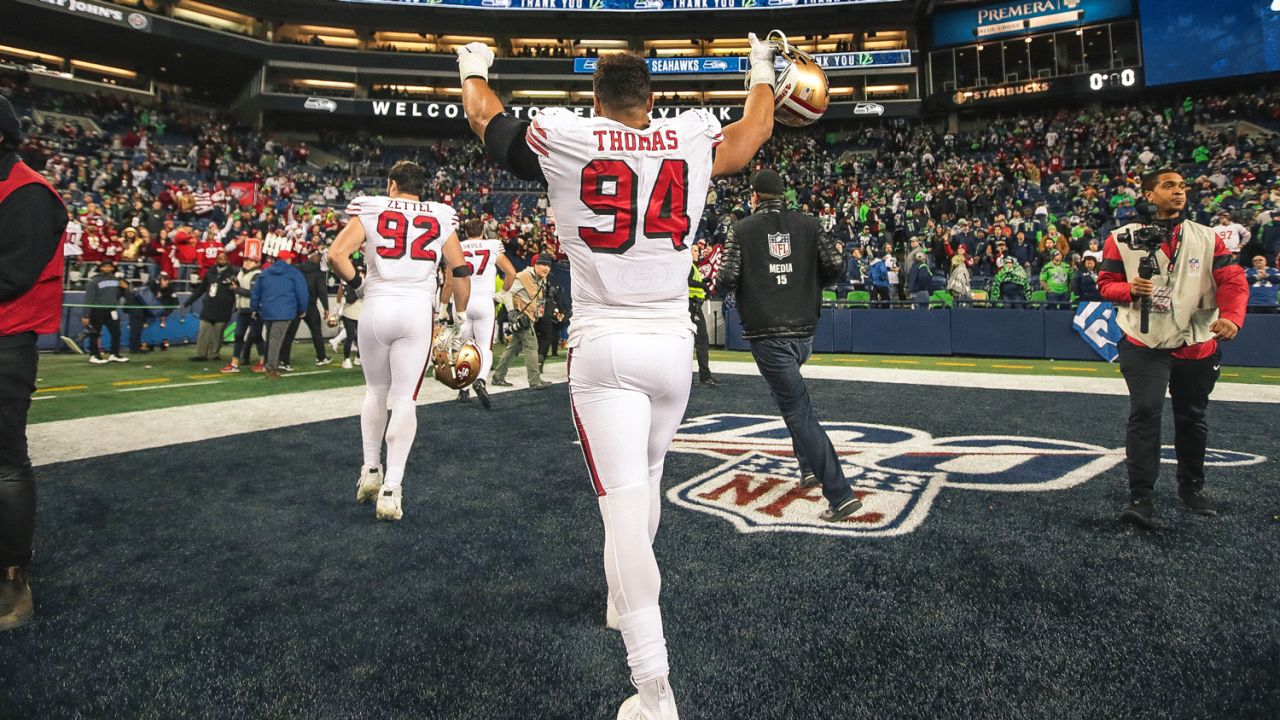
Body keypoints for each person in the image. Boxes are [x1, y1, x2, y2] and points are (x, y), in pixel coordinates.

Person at [459, 35, 776, 719]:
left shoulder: (568, 136)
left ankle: (655, 689)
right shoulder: (688, 136)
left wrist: (474, 66)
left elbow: (485, 118)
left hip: (606, 346)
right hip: (671, 347)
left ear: (595, 100)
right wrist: (759, 72)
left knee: (623, 512)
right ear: (652, 100)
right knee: (646, 487)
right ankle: (617, 598)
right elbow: (753, 133)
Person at [1097, 168, 1248, 528]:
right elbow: (1106, 284)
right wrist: (1129, 290)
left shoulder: (1208, 237)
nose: (1179, 191)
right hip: (1142, 339)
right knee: (1146, 412)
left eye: (1182, 186)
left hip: (1196, 340)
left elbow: (1232, 279)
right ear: (1149, 195)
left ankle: (1191, 488)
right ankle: (1141, 497)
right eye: (1169, 186)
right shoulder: (1120, 237)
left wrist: (1232, 317)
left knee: (1192, 417)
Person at [325, 160, 471, 522]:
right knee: (405, 398)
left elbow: (335, 254)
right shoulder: (440, 214)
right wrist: (461, 314)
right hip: (416, 310)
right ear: (422, 187)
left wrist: (359, 286)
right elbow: (460, 268)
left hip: (376, 305)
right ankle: (392, 489)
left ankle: (370, 469)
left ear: (392, 183)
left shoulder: (371, 206)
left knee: (375, 391)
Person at [718, 168, 862, 523]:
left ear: (755, 196)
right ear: (784, 194)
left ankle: (840, 494)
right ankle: (808, 467)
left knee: (798, 410)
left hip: (768, 333)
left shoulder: (742, 229)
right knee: (791, 399)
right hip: (805, 332)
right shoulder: (810, 225)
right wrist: (802, 277)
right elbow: (834, 267)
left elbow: (726, 279)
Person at [0, 95, 68, 631]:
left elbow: (13, 275)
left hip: (4, 342)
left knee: (4, 461)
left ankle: (12, 572)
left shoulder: (28, 193)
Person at [442, 217, 516, 408]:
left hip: (462, 302)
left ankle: (463, 389)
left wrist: (442, 307)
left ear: (465, 232)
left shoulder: (456, 247)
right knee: (484, 347)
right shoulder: (492, 245)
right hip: (484, 301)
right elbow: (511, 273)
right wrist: (501, 294)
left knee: (462, 347)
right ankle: (480, 380)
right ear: (483, 231)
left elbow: (449, 282)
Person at [490, 256, 552, 390]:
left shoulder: (542, 280)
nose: (546, 268)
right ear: (535, 265)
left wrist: (539, 316)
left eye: (548, 266)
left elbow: (540, 299)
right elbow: (506, 293)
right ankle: (534, 381)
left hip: (530, 317)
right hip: (521, 317)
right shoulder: (523, 276)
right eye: (543, 265)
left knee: (513, 349)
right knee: (532, 347)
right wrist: (511, 311)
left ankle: (498, 377)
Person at [251, 251, 308, 379]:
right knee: (276, 340)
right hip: (285, 311)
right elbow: (302, 292)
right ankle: (271, 368)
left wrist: (254, 308)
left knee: (271, 338)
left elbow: (256, 292)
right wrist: (302, 308)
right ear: (287, 259)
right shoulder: (294, 273)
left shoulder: (265, 273)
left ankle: (268, 364)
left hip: (267, 310)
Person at [183, 249, 237, 362]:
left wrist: (236, 305)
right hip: (209, 306)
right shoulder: (210, 272)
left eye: (223, 258)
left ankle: (214, 354)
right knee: (204, 331)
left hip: (224, 307)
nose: (221, 259)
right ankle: (201, 354)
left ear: (227, 260)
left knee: (218, 333)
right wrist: (187, 302)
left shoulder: (233, 273)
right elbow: (200, 290)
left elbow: (237, 290)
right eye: (219, 257)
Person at [282, 250, 332, 368]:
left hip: (295, 304)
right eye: (319, 257)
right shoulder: (319, 272)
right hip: (310, 305)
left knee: (290, 334)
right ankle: (321, 357)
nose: (320, 259)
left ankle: (284, 361)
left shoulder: (297, 268)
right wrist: (326, 307)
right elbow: (321, 290)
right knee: (316, 332)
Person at [81, 260, 129, 364]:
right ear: (101, 268)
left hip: (111, 310)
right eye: (105, 267)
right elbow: (88, 298)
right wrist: (86, 315)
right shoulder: (94, 281)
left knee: (116, 332)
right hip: (97, 310)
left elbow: (124, 292)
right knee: (95, 333)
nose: (107, 269)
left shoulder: (117, 280)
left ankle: (114, 354)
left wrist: (125, 287)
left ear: (112, 268)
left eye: (109, 267)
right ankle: (94, 355)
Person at [223, 256, 265, 373]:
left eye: (249, 261)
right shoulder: (242, 272)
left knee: (257, 336)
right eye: (245, 260)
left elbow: (253, 293)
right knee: (239, 335)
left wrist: (236, 288)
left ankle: (263, 362)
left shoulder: (257, 274)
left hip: (254, 310)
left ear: (256, 262)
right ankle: (234, 363)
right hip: (242, 308)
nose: (246, 263)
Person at [689, 244, 717, 385]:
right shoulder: (687, 266)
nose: (697, 253)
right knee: (701, 341)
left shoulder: (694, 267)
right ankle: (704, 376)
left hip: (694, 306)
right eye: (694, 251)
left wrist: (703, 282)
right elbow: (687, 281)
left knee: (700, 341)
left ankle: (704, 375)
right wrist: (703, 285)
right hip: (690, 306)